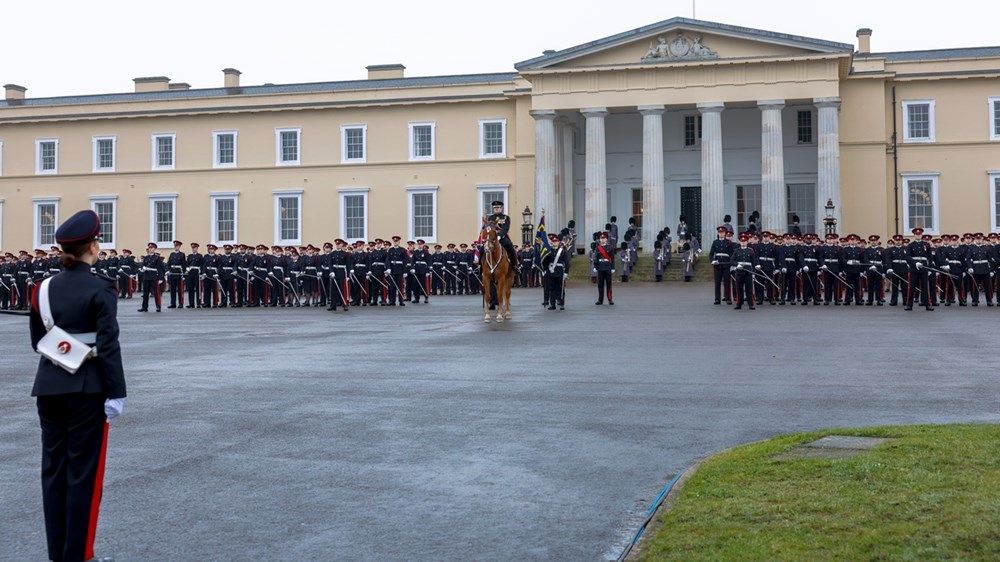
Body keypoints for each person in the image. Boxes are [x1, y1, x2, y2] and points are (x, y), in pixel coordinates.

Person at [28, 209, 126, 562]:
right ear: (93, 246)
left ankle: (59, 553)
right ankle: (79, 555)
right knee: (83, 475)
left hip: (49, 387)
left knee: (53, 473)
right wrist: (117, 392)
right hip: (88, 390)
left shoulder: (43, 289)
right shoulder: (101, 287)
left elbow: (38, 341)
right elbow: (109, 345)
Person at [594, 231, 614, 305]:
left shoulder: (610, 247)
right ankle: (600, 300)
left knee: (609, 285)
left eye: (604, 238)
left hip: (608, 267)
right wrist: (595, 266)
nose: (602, 239)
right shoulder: (598, 248)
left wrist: (613, 267)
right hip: (600, 268)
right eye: (601, 238)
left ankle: (610, 299)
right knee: (600, 285)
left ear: (606, 239)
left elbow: (612, 258)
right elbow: (596, 258)